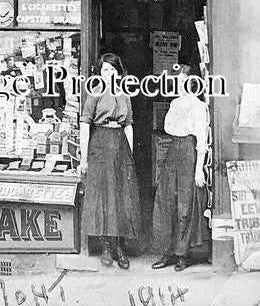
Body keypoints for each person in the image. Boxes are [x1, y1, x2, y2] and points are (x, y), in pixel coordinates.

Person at [80, 53, 142, 269]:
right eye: (105, 70)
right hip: (100, 144)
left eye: (112, 69)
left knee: (122, 197)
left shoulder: (125, 94)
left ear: (118, 71)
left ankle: (120, 249)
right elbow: (85, 125)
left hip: (121, 147)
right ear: (99, 72)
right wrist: (84, 157)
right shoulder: (95, 92)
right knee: (104, 197)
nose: (108, 74)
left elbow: (129, 125)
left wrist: (130, 154)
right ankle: (106, 248)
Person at [152, 63, 210, 272]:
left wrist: (198, 169)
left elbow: (201, 139)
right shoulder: (175, 103)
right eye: (176, 81)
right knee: (165, 201)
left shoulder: (197, 105)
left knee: (184, 207)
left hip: (188, 151)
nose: (180, 85)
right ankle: (166, 253)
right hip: (173, 150)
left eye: (184, 81)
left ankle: (181, 255)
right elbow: (168, 128)